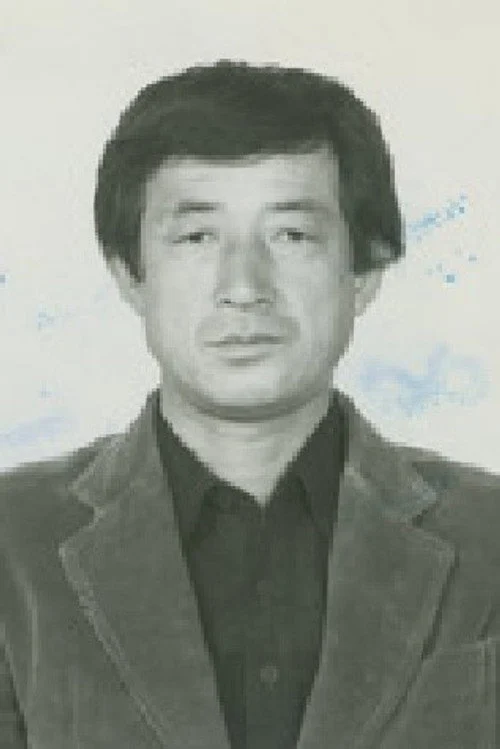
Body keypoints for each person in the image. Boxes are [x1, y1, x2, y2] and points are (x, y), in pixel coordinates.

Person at [1, 60, 499, 749]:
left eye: (291, 235)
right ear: (130, 275)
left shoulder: (487, 534)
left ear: (365, 272)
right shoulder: (13, 542)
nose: (243, 286)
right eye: (197, 237)